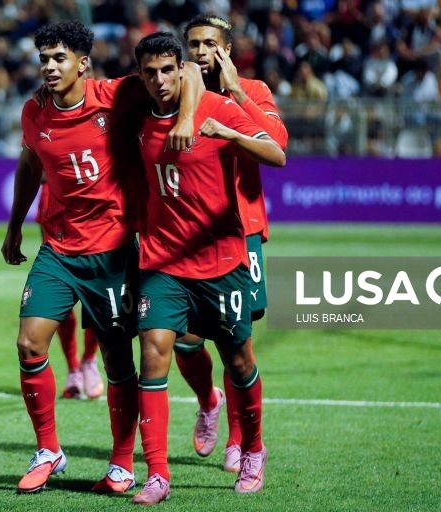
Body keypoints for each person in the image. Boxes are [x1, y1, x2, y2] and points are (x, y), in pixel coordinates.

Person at [1, 20, 202, 495]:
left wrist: (189, 118)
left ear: (82, 64)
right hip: (59, 247)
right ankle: (49, 450)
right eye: (44, 59)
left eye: (59, 59)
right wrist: (14, 225)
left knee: (116, 358)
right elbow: (30, 163)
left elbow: (188, 70)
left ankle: (120, 463)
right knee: (30, 343)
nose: (50, 67)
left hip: (113, 247)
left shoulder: (116, 95)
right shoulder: (35, 111)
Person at [131, 32, 285, 505]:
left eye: (167, 70)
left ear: (182, 69)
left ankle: (253, 449)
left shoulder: (218, 109)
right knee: (155, 350)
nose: (158, 80)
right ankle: (157, 473)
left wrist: (230, 134)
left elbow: (277, 155)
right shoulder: (134, 117)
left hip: (221, 261)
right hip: (163, 261)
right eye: (149, 72)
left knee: (239, 360)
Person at [176, 14, 289, 476]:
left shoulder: (254, 91)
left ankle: (240, 439)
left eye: (209, 44)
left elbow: (278, 145)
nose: (200, 52)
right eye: (193, 45)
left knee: (234, 337)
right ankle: (208, 400)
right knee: (183, 340)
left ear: (225, 50)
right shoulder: (174, 91)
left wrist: (236, 91)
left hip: (241, 232)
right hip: (184, 236)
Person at [35, 180, 103, 400]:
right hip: (53, 194)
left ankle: (89, 361)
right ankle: (74, 369)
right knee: (60, 293)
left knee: (96, 295)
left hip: (92, 194)